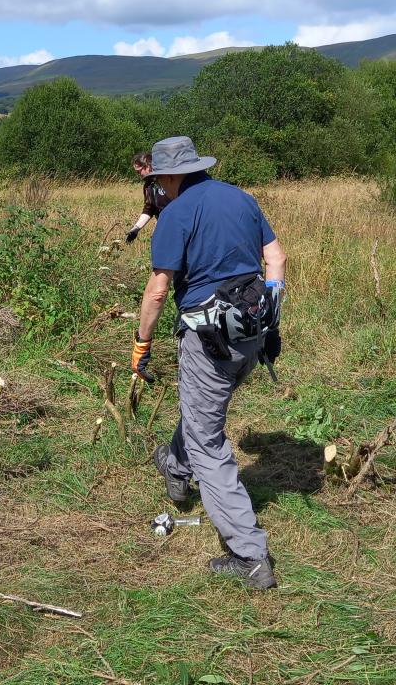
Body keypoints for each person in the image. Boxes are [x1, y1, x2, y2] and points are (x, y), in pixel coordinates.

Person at [131, 136, 286, 590]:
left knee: (207, 441)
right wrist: (270, 313)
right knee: (202, 411)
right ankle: (175, 468)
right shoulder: (241, 197)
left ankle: (250, 555)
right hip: (251, 333)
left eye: (159, 178)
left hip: (208, 340)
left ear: (171, 175)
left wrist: (142, 343)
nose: (158, 186)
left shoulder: (176, 214)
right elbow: (275, 258)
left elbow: (158, 290)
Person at [125, 151, 170, 243]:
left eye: (139, 171)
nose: (138, 174)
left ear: (148, 166)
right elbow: (149, 208)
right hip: (162, 224)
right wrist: (135, 229)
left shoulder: (169, 181)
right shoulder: (148, 186)